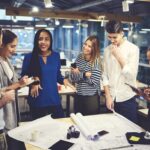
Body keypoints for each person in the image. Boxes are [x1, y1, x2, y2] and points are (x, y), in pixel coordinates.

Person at [21, 29, 69, 120]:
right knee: (40, 131)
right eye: (40, 39)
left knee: (58, 129)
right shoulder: (29, 57)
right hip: (37, 101)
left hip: (54, 100)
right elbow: (23, 78)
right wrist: (34, 81)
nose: (43, 42)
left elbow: (57, 75)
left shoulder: (56, 56)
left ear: (50, 41)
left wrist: (64, 80)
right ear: (36, 41)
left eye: (47, 39)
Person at [103, 20, 139, 123]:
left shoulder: (133, 49)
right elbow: (104, 75)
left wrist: (119, 57)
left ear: (122, 34)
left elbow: (131, 76)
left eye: (115, 37)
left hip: (126, 99)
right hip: (111, 98)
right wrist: (108, 96)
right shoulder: (106, 50)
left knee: (131, 133)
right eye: (109, 37)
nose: (112, 40)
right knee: (112, 131)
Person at [0, 29, 29, 150]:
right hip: (4, 112)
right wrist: (17, 85)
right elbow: (3, 90)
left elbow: (10, 84)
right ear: (2, 44)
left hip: (10, 109)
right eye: (12, 46)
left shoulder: (6, 60)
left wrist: (20, 83)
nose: (14, 50)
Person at [70, 35, 102, 115]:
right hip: (79, 95)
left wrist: (79, 74)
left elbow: (94, 82)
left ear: (94, 49)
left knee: (91, 123)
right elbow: (73, 78)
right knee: (78, 120)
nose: (85, 47)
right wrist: (84, 74)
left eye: (89, 46)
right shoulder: (79, 57)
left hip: (91, 98)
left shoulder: (96, 62)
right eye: (85, 44)